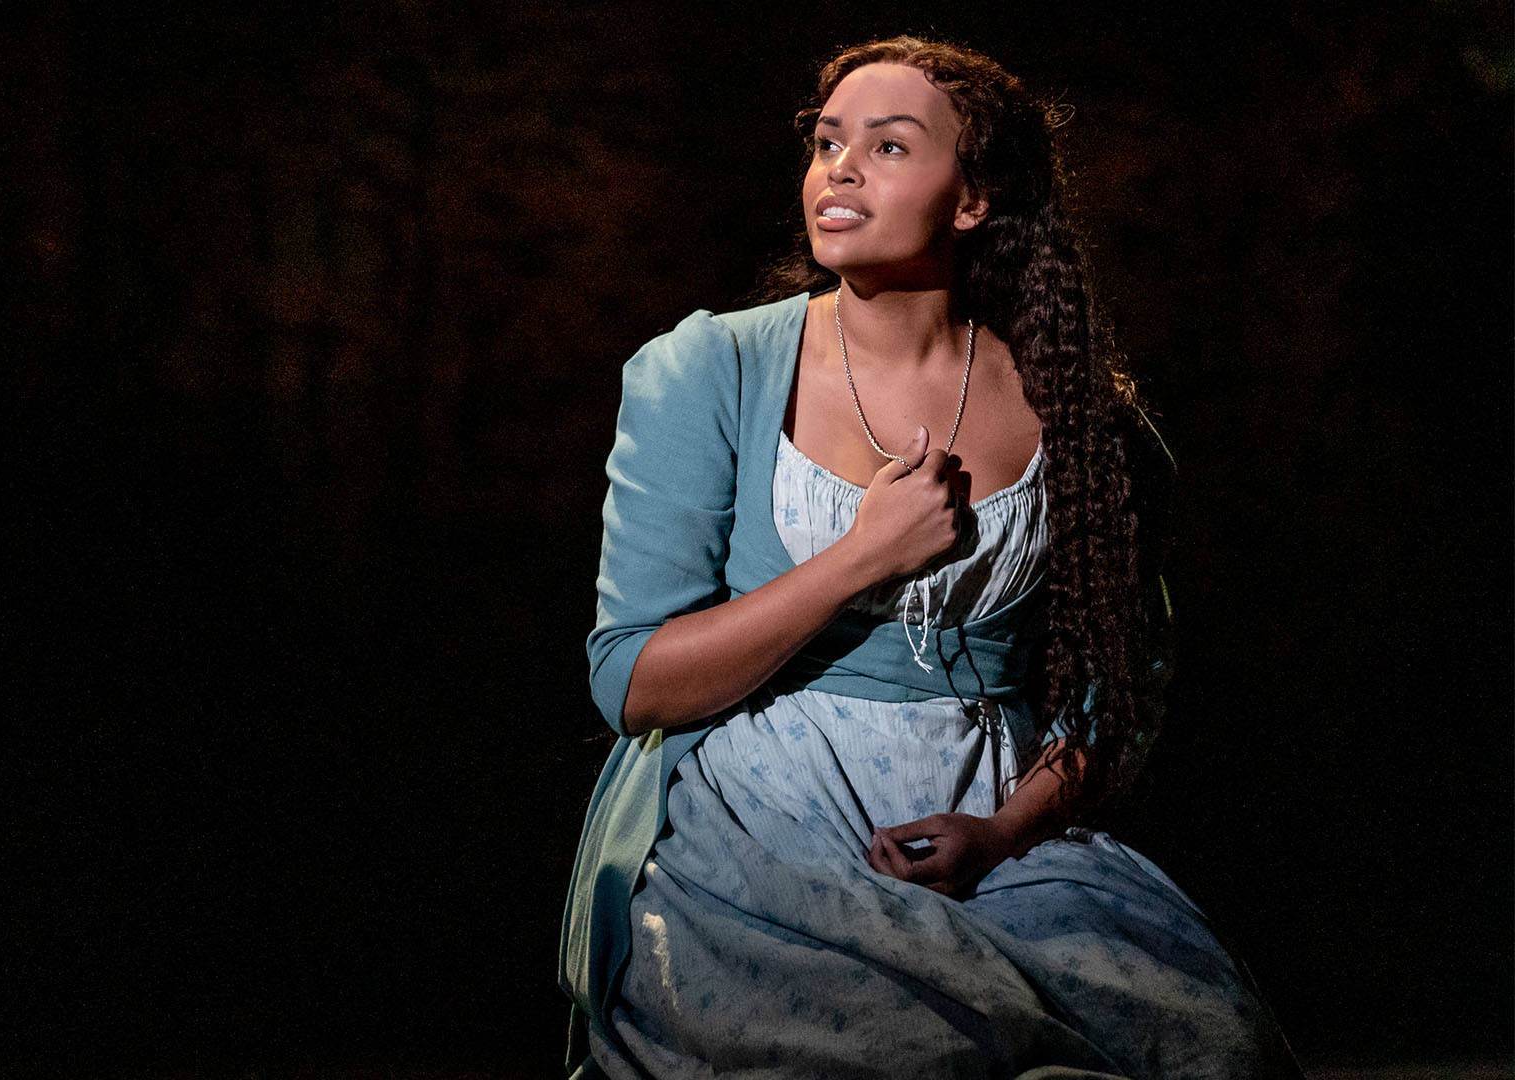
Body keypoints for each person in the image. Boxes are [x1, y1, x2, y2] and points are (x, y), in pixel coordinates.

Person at [557, 35, 1303, 1079]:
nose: (841, 168)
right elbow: (633, 684)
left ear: (971, 200)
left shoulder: (1083, 421)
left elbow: (1113, 689)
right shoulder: (707, 370)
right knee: (894, 1050)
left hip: (993, 828)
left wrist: (1001, 833)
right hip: (759, 830)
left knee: (1205, 1046)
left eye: (890, 145)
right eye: (826, 143)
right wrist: (860, 558)